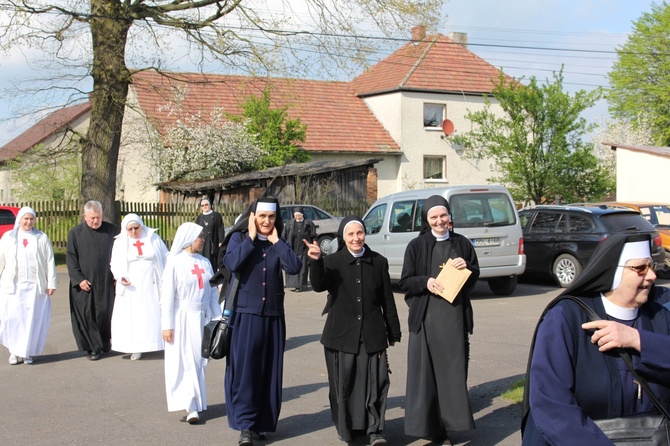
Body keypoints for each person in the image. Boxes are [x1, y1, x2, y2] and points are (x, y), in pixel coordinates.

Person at [521, 232, 670, 445]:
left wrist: (638, 340)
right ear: (612, 272)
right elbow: (551, 402)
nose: (651, 276)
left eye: (651, 267)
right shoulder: (567, 317)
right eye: (640, 268)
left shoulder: (659, 316)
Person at [305, 216, 401, 446]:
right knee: (344, 386)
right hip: (340, 335)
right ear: (343, 237)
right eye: (351, 234)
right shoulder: (333, 261)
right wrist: (316, 261)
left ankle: (375, 429)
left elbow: (387, 299)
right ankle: (347, 429)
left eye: (360, 233)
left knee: (376, 383)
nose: (356, 238)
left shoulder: (378, 262)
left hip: (372, 333)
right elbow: (319, 286)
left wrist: (393, 331)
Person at [399, 195, 480, 445]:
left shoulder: (462, 243)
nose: (439, 221)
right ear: (427, 220)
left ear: (449, 217)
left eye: (443, 215)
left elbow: (475, 276)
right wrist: (425, 282)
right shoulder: (416, 245)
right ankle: (433, 430)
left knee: (452, 375)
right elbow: (405, 282)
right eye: (433, 217)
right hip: (426, 320)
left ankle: (451, 425)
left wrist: (467, 267)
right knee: (427, 377)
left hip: (454, 321)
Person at [222, 197, 302, 446]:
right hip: (246, 315)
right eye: (262, 217)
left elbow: (294, 267)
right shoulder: (240, 239)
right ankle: (245, 425)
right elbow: (232, 263)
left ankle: (263, 423)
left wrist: (277, 242)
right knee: (247, 371)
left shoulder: (279, 242)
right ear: (253, 217)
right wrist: (251, 238)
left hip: (274, 316)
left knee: (269, 371)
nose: (266, 222)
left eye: (270, 217)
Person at [160, 222, 221, 425]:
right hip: (183, 318)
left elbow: (212, 292)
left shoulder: (205, 262)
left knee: (200, 362)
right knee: (187, 361)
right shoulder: (175, 263)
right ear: (188, 238)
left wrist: (217, 318)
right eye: (200, 237)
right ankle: (191, 407)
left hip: (203, 318)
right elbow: (167, 297)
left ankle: (196, 402)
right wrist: (166, 325)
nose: (203, 240)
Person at [0, 207, 57, 365]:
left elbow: (49, 261)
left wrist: (51, 282)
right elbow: (1, 261)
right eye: (26, 219)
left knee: (30, 320)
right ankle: (13, 351)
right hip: (14, 286)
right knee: (12, 319)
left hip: (34, 287)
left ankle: (26, 353)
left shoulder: (41, 238)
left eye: (31, 219)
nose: (29, 222)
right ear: (19, 219)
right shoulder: (8, 238)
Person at [110, 214, 168, 360]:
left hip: (152, 282)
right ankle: (136, 347)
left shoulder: (153, 238)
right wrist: (120, 276)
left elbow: (165, 256)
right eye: (130, 229)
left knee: (153, 314)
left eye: (136, 228)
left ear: (141, 226)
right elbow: (115, 263)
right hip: (132, 285)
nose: (134, 232)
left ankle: (157, 343)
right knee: (135, 316)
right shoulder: (120, 242)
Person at [66, 200, 117, 361]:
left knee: (107, 312)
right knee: (88, 314)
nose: (95, 221)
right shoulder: (76, 233)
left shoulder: (112, 231)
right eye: (92, 218)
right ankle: (93, 348)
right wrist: (79, 279)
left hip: (108, 280)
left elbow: (120, 254)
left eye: (98, 217)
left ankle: (104, 340)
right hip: (86, 282)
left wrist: (118, 274)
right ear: (84, 216)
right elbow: (71, 258)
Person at [282, 206, 316, 292]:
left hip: (304, 249)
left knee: (303, 268)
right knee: (293, 265)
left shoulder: (308, 223)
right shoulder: (289, 224)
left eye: (299, 215)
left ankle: (301, 285)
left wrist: (313, 245)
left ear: (302, 215)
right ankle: (294, 284)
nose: (297, 217)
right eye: (295, 215)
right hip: (292, 249)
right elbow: (284, 236)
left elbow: (313, 236)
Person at [195, 197, 225, 271]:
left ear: (210, 205)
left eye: (206, 205)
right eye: (202, 205)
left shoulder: (216, 216)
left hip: (212, 242)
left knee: (212, 259)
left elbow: (220, 228)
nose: (204, 207)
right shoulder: (200, 217)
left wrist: (221, 241)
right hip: (202, 242)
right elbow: (196, 230)